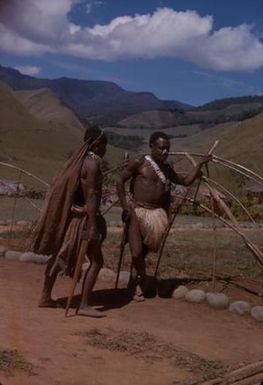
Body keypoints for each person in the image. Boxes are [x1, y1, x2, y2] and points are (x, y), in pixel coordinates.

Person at [116, 131, 211, 301]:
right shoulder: (140, 162)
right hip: (137, 212)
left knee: (143, 252)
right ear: (151, 146)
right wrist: (125, 207)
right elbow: (119, 181)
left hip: (156, 216)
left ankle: (133, 284)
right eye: (161, 148)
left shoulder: (167, 169)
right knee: (136, 252)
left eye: (167, 149)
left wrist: (199, 165)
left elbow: (185, 181)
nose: (165, 152)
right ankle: (144, 279)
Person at [31, 126, 107, 317]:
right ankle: (83, 305)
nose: (106, 148)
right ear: (96, 144)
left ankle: (45, 297)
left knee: (59, 255)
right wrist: (92, 225)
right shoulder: (92, 165)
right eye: (104, 144)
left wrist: (74, 206)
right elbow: (91, 195)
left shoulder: (78, 162)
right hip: (82, 220)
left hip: (71, 217)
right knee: (97, 261)